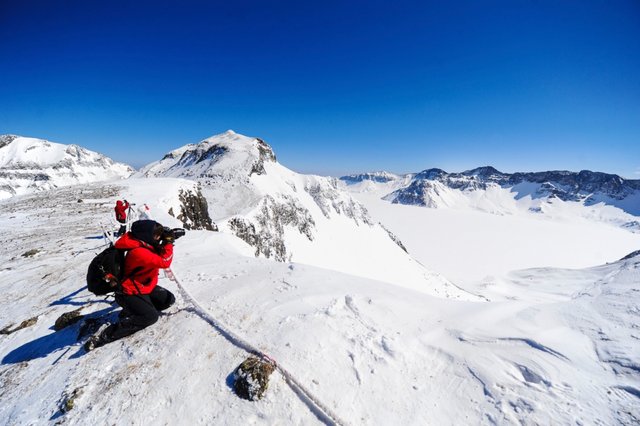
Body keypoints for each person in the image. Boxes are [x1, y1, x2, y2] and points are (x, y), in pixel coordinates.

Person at [85, 220, 178, 351]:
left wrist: (166, 237)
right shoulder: (138, 252)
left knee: (168, 300)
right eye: (156, 235)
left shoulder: (140, 242)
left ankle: (134, 309)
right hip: (129, 291)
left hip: (143, 286)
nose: (158, 237)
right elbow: (164, 262)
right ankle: (104, 335)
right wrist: (168, 242)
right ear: (147, 235)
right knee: (150, 317)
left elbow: (156, 251)